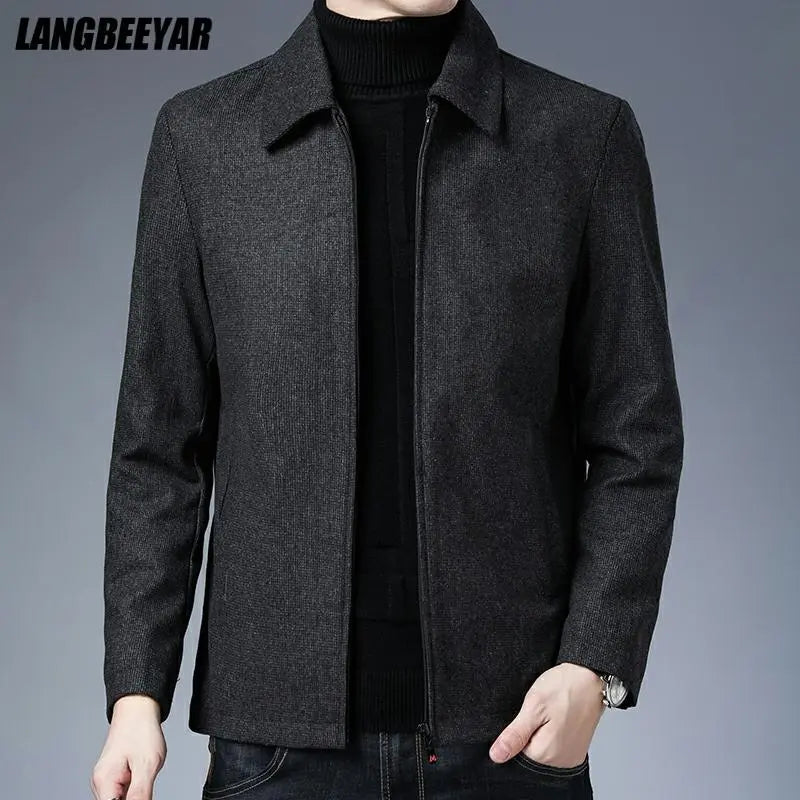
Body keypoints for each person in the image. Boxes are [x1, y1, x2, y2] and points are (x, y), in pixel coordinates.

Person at [91, 0, 684, 797]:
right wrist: (136, 696)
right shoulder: (202, 139)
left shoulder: (581, 135)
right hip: (274, 747)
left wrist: (594, 665)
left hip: (510, 737)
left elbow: (638, 435)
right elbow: (158, 448)